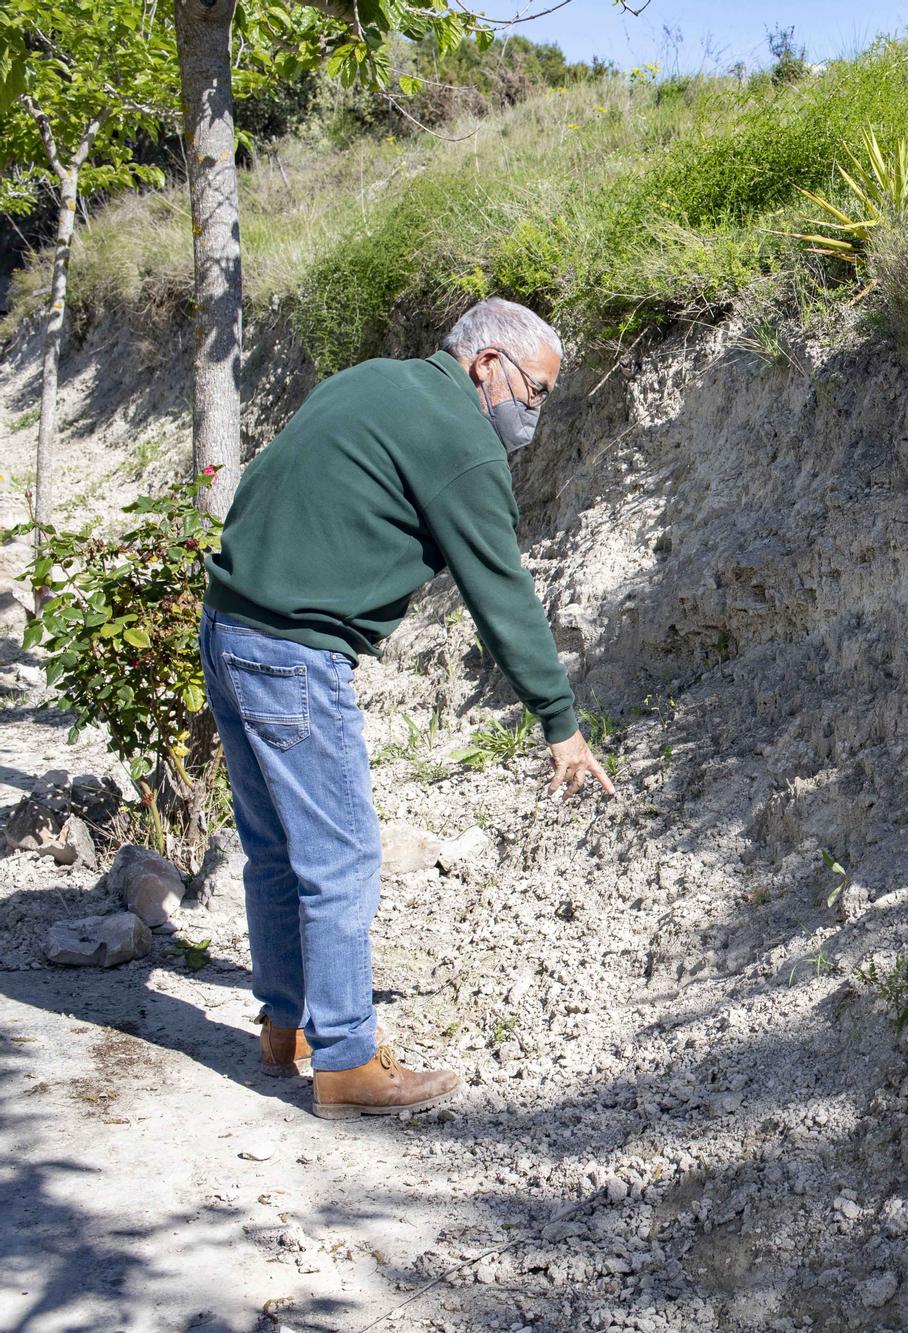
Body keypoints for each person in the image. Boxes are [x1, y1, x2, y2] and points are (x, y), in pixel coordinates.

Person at [198, 297, 614, 1121]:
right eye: (535, 393)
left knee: (275, 848)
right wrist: (560, 722)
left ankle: (289, 1026)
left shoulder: (372, 383)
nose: (534, 413)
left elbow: (264, 481)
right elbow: (502, 589)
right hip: (292, 651)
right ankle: (350, 1061)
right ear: (488, 364)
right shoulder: (460, 439)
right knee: (343, 856)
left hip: (229, 626)